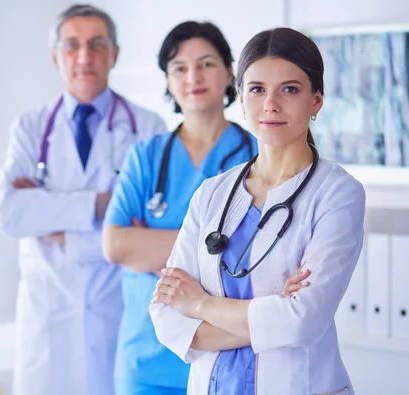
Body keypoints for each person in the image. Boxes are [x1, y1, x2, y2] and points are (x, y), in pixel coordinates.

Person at [150, 27, 365, 395]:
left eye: (290, 89)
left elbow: (301, 322)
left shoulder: (337, 194)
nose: (271, 104)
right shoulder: (211, 194)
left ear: (316, 101)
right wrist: (269, 315)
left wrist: (200, 303)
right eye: (257, 89)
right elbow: (166, 316)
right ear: (241, 98)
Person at [102, 22, 309, 395]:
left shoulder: (261, 154)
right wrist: (222, 252)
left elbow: (281, 262)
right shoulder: (146, 157)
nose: (192, 76)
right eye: (179, 67)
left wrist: (154, 248)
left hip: (234, 356)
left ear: (231, 73)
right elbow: (115, 246)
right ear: (167, 81)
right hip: (145, 357)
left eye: (206, 64)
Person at [0, 4, 166, 395]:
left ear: (115, 54)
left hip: (119, 313)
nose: (84, 56)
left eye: (97, 44)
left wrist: (59, 229)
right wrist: (102, 206)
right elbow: (8, 213)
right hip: (48, 317)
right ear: (55, 57)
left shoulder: (148, 128)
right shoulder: (31, 127)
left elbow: (150, 232)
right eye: (72, 45)